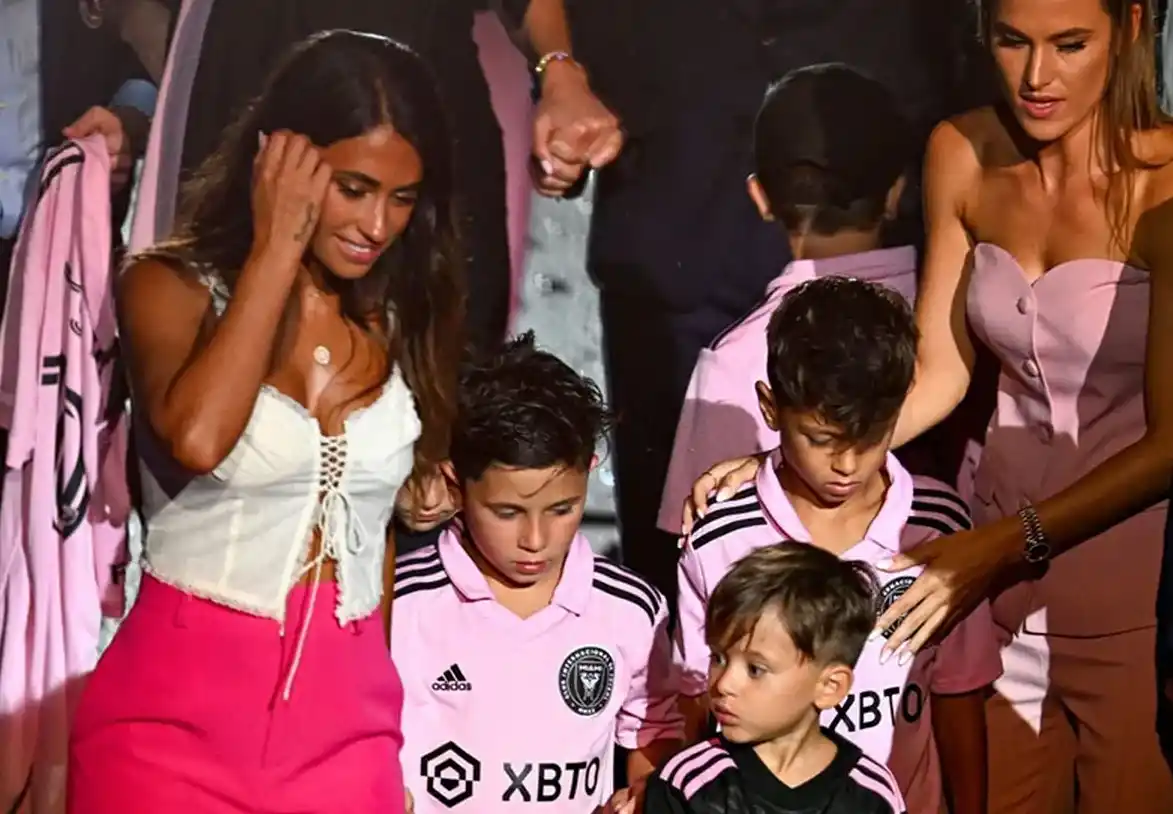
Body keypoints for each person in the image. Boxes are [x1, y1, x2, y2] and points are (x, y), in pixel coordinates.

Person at [684, 0, 1173, 809]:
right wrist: (794, 457)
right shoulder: (961, 151)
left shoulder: (1167, 184)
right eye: (1011, 42)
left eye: (1068, 45)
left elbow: (1168, 446)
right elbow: (940, 372)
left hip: (1126, 598)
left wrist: (1002, 547)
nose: (1036, 76)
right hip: (985, 587)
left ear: (1127, 29)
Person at [66, 31, 464, 813]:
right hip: (169, 732)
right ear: (280, 163)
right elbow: (198, 439)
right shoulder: (168, 289)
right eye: (353, 188)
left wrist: (385, 731)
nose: (377, 225)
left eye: (401, 198)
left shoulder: (398, 318)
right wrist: (274, 251)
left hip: (348, 733)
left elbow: (372, 532)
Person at [535, 0, 993, 597]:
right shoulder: (729, 363)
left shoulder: (944, 316)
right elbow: (689, 564)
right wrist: (560, 70)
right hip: (677, 212)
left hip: (885, 137)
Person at [676, 277, 997, 814]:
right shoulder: (718, 538)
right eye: (821, 440)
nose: (846, 465)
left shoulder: (938, 527)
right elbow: (694, 702)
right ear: (771, 408)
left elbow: (958, 692)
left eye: (869, 439)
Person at [392, 333, 684, 814]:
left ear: (589, 472)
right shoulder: (401, 604)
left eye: (562, 509)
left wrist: (642, 798)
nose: (535, 539)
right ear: (455, 484)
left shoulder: (631, 610)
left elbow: (654, 732)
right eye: (507, 513)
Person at [656, 63, 923, 535]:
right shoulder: (951, 318)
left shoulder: (736, 359)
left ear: (760, 197)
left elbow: (700, 541)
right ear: (896, 192)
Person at [644, 543, 906, 814]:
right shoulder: (687, 783)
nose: (723, 684)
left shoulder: (873, 796)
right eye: (718, 658)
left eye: (755, 669)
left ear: (830, 686)